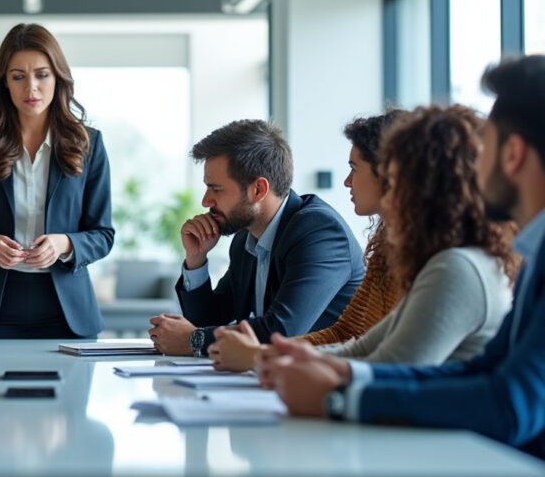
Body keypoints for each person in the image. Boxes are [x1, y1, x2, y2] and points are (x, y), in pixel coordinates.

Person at [263, 55, 545, 459]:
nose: (473, 171)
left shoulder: (463, 266)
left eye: (485, 150)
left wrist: (341, 397)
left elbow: (510, 405)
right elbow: (482, 370)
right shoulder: (532, 256)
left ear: (512, 154)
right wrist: (342, 375)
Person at [232, 106, 518, 377]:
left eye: (394, 182)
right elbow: (361, 344)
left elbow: (389, 368)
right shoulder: (408, 252)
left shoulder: (456, 267)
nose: (388, 196)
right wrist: (268, 355)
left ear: (424, 189)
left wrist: (264, 358)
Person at [0, 23, 114, 338]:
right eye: (18, 76)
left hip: (67, 311)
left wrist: (65, 243)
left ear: (58, 78)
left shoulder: (89, 144)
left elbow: (103, 235)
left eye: (42, 75)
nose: (31, 88)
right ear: (4, 83)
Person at [207, 112, 407, 372]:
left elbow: (399, 360)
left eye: (353, 169)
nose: (346, 181)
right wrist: (265, 354)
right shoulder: (385, 250)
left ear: (389, 175)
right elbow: (348, 335)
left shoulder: (318, 229)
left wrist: (260, 356)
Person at [148, 120, 365, 357]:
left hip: (326, 383)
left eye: (216, 189)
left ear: (259, 190)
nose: (205, 201)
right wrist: (196, 259)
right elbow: (209, 319)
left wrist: (194, 339)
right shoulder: (245, 239)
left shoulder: (318, 232)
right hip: (274, 378)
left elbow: (283, 330)